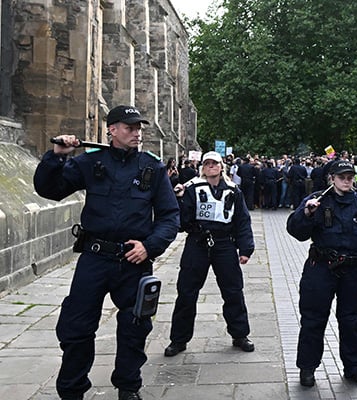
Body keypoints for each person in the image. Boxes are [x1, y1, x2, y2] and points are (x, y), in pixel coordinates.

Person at [33, 105, 180, 400]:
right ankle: (72, 390)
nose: (137, 133)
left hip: (133, 260)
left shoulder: (152, 167)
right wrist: (57, 156)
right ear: (112, 130)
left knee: (135, 326)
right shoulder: (91, 162)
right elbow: (49, 189)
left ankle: (128, 386)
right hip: (95, 257)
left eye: (139, 128)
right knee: (76, 326)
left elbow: (169, 216)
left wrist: (149, 246)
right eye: (130, 127)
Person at [286, 160, 357, 387]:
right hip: (320, 267)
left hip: (352, 270)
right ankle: (307, 367)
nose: (347, 180)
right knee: (313, 319)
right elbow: (295, 231)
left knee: (351, 320)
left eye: (350, 176)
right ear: (331, 178)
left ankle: (353, 366)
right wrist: (307, 214)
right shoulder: (317, 201)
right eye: (342, 176)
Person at [164, 151, 256, 357]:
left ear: (221, 166)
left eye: (215, 163)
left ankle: (239, 334)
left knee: (233, 291)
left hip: (224, 244)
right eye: (207, 163)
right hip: (198, 242)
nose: (211, 166)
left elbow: (242, 220)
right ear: (202, 167)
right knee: (186, 292)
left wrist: (246, 248)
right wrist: (178, 198)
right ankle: (179, 339)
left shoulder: (233, 190)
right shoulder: (192, 188)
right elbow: (182, 220)